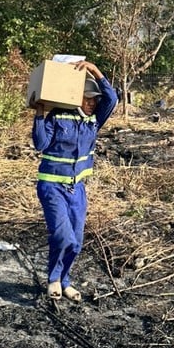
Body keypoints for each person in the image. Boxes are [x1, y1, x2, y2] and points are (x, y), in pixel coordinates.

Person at [30, 60, 118, 302]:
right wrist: (40, 112)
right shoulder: (58, 116)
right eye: (87, 99)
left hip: (76, 189)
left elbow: (113, 98)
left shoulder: (94, 121)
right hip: (51, 187)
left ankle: (64, 279)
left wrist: (94, 69)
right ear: (75, 97)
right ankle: (54, 280)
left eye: (94, 100)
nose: (92, 104)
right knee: (63, 237)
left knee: (76, 243)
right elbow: (40, 144)